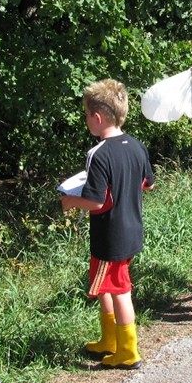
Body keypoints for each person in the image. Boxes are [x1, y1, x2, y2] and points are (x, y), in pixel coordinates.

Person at [60, 79, 154, 368]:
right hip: (132, 228)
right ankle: (109, 340)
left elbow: (96, 202)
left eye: (87, 115)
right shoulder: (137, 146)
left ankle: (128, 352)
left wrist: (70, 201)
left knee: (120, 290)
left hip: (110, 234)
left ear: (98, 117)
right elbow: (148, 184)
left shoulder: (98, 154)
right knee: (105, 286)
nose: (86, 120)